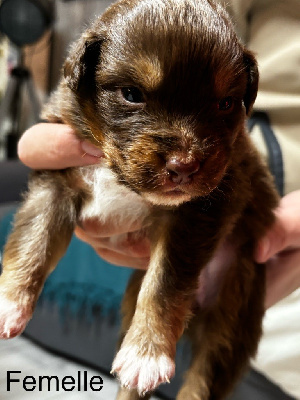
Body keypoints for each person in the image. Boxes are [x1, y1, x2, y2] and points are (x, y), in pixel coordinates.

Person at [16, 0, 300, 398]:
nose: (185, 157)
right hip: (165, 262)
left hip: (261, 275)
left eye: (223, 105)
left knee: (209, 371)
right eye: (133, 95)